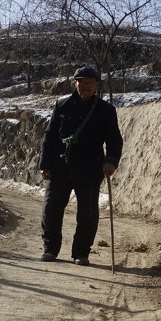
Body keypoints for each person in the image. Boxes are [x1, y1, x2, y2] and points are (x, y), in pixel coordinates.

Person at [37, 65, 123, 265]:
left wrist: (111, 161)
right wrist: (45, 163)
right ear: (75, 83)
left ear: (96, 85)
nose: (85, 87)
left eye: (90, 83)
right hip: (60, 166)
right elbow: (49, 137)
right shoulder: (62, 106)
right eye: (82, 83)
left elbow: (114, 140)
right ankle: (50, 249)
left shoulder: (106, 110)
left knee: (88, 213)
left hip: (90, 169)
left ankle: (81, 252)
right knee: (51, 209)